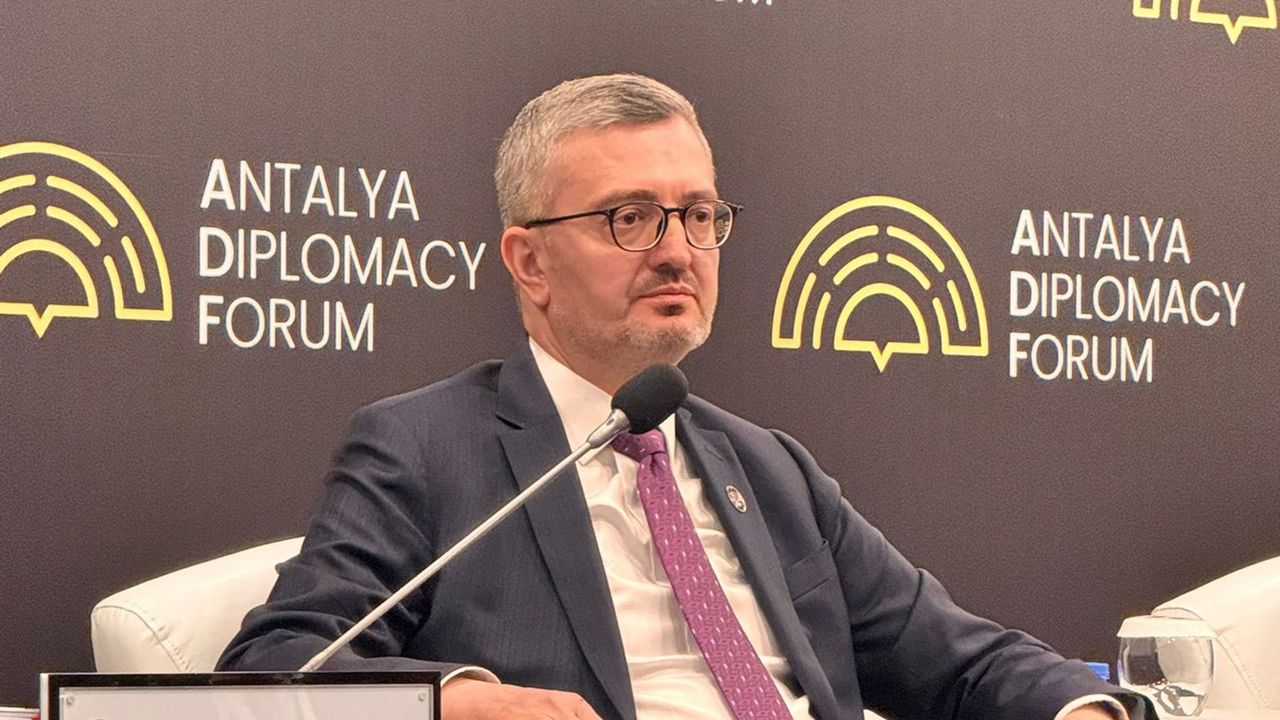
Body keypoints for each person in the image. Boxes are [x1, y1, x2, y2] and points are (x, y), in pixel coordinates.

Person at [218, 73, 1148, 720]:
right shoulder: (426, 447)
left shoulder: (769, 469)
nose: (677, 250)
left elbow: (962, 665)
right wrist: (462, 701)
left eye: (699, 215)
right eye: (630, 217)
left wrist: (1086, 711)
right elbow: (276, 667)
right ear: (529, 262)